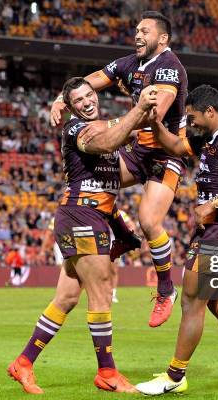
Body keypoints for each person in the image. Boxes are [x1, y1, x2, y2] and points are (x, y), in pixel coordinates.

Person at [7, 78, 157, 394]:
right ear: (72, 107)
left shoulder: (105, 133)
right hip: (81, 216)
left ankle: (23, 363)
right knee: (101, 292)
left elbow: (113, 185)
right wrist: (138, 111)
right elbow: (105, 143)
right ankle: (107, 372)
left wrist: (123, 228)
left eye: (90, 95)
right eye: (79, 99)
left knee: (66, 297)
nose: (87, 101)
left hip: (88, 216)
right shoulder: (76, 130)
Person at [51, 11, 187, 327]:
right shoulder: (130, 64)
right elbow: (92, 80)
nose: (137, 35)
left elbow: (157, 110)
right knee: (98, 180)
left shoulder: (169, 68)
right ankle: (123, 238)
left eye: (145, 31)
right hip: (137, 151)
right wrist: (61, 98)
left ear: (162, 39)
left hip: (165, 154)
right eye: (136, 30)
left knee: (150, 221)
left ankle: (166, 289)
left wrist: (108, 123)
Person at [136, 85, 218, 396]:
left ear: (211, 111)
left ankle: (175, 376)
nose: (191, 123)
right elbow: (174, 146)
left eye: (193, 117)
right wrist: (155, 122)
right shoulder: (208, 139)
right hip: (216, 232)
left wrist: (214, 203)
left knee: (192, 302)